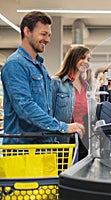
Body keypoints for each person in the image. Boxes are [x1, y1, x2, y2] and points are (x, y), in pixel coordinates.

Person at [0, 11, 84, 144]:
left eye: (49, 35)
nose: (48, 40)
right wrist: (62, 127)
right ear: (27, 31)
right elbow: (25, 107)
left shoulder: (41, 68)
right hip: (23, 150)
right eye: (43, 34)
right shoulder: (15, 64)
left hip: (43, 146)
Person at [51, 46, 91, 160]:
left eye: (88, 59)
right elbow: (48, 115)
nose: (86, 62)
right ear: (73, 59)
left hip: (83, 140)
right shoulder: (56, 83)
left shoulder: (85, 86)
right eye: (82, 58)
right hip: (64, 141)